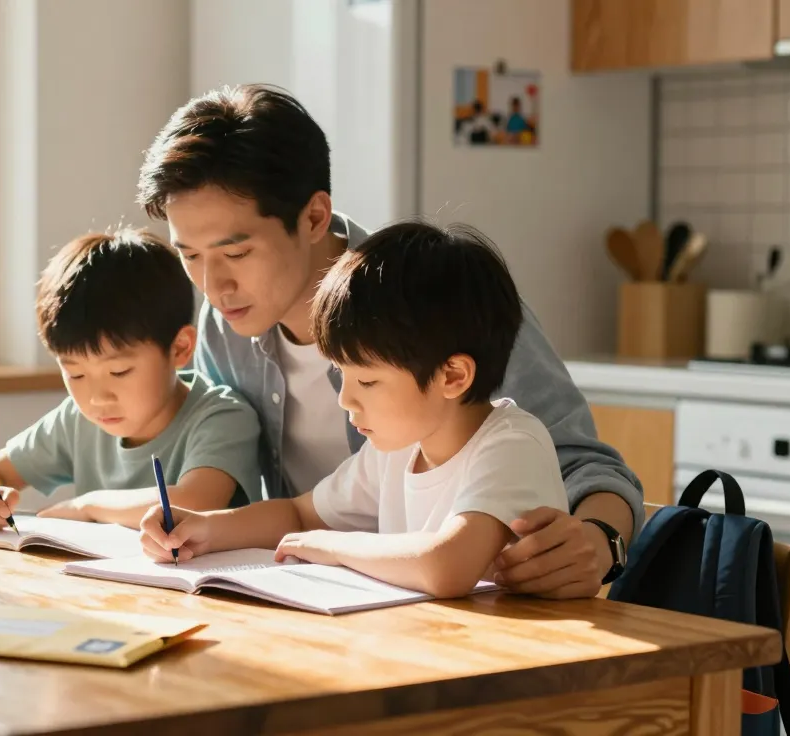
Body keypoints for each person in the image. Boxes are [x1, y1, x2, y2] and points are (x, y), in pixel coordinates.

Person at [135, 83, 640, 599]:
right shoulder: (224, 328)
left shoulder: (436, 303)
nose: (212, 285)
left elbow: (587, 467)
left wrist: (601, 541)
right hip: (337, 598)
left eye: (236, 253)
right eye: (189, 256)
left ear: (314, 217)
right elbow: (294, 509)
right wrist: (203, 524)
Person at [138, 221, 569, 598]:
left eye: (367, 381)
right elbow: (299, 513)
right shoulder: (399, 449)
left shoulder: (510, 444)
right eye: (341, 375)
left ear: (452, 376)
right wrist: (206, 527)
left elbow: (446, 567)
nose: (345, 399)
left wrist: (333, 546)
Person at [0, 228, 261, 531]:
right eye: (75, 373)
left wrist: (87, 507)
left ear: (179, 348)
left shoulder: (222, 417)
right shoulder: (77, 420)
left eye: (119, 371)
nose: (97, 398)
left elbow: (193, 502)